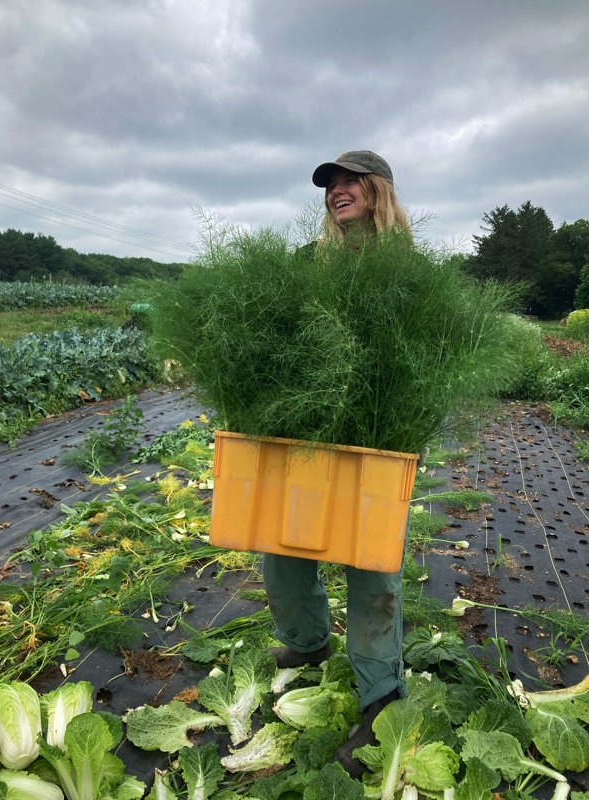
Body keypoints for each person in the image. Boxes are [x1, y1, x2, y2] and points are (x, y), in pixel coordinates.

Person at [263, 150, 411, 778]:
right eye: (330, 184)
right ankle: (307, 641)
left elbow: (414, 357)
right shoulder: (309, 263)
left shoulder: (405, 270)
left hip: (375, 434)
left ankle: (381, 695)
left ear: (377, 191)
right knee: (283, 549)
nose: (337, 191)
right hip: (306, 431)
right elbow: (280, 336)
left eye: (350, 181)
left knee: (371, 566)